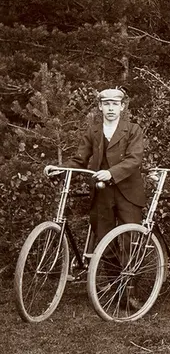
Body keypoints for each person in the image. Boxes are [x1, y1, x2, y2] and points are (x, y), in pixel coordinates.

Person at [56, 87, 146, 250]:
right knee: (104, 240)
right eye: (106, 104)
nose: (110, 108)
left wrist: (111, 173)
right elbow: (79, 160)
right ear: (100, 106)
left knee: (130, 239)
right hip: (102, 192)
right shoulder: (93, 131)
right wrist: (60, 170)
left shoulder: (133, 130)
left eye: (115, 104)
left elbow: (134, 159)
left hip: (128, 193)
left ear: (122, 107)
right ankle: (109, 268)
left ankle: (130, 268)